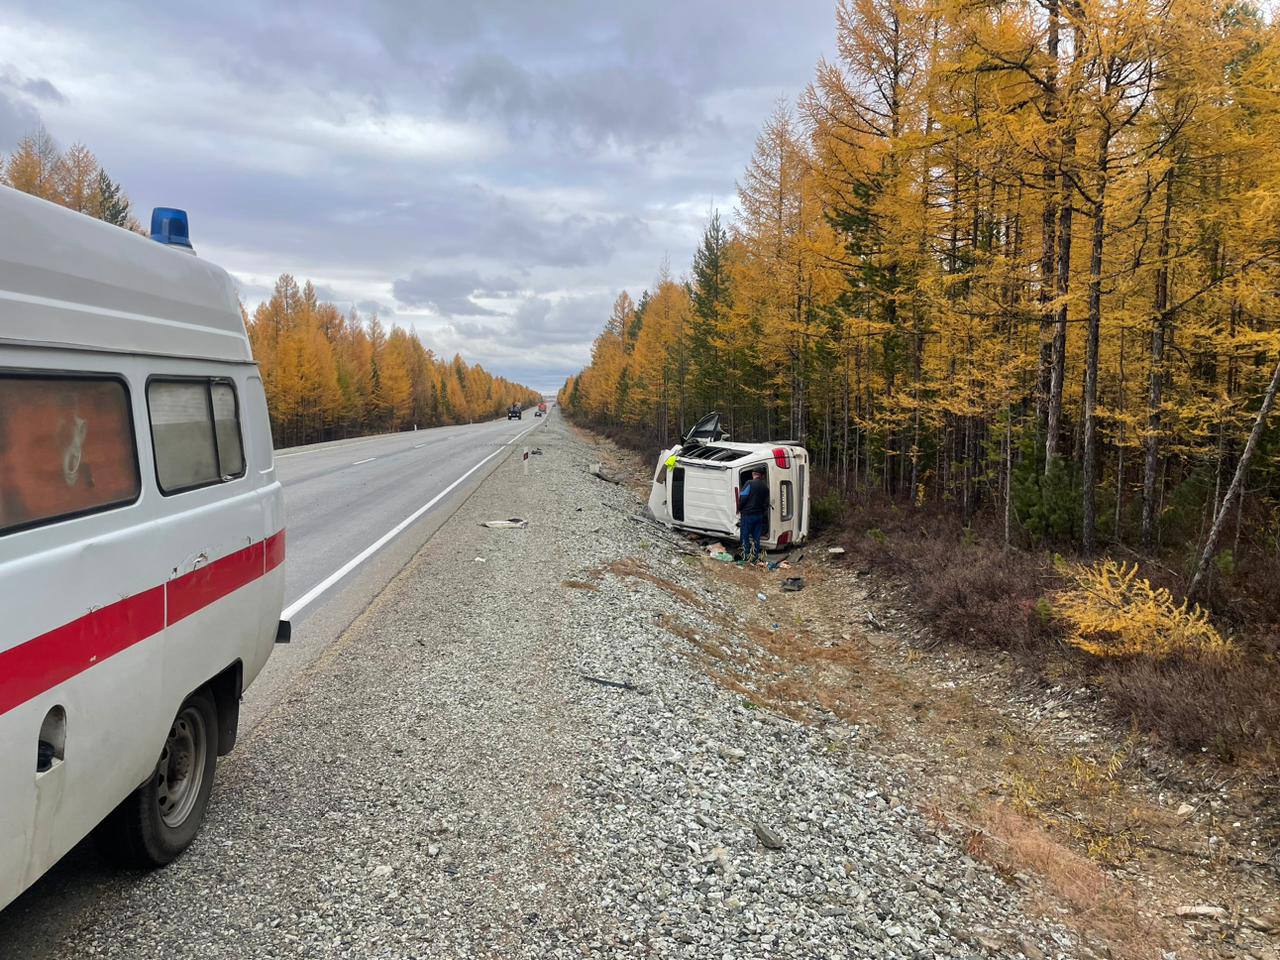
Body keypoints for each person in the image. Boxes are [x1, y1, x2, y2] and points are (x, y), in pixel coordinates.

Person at [738, 466, 768, 564]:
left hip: (748, 515)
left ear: (753, 474)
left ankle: (745, 557)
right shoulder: (765, 487)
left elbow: (743, 498)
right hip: (758, 516)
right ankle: (754, 558)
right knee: (756, 538)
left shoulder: (749, 483)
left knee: (745, 536)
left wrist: (739, 508)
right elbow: (765, 503)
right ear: (762, 476)